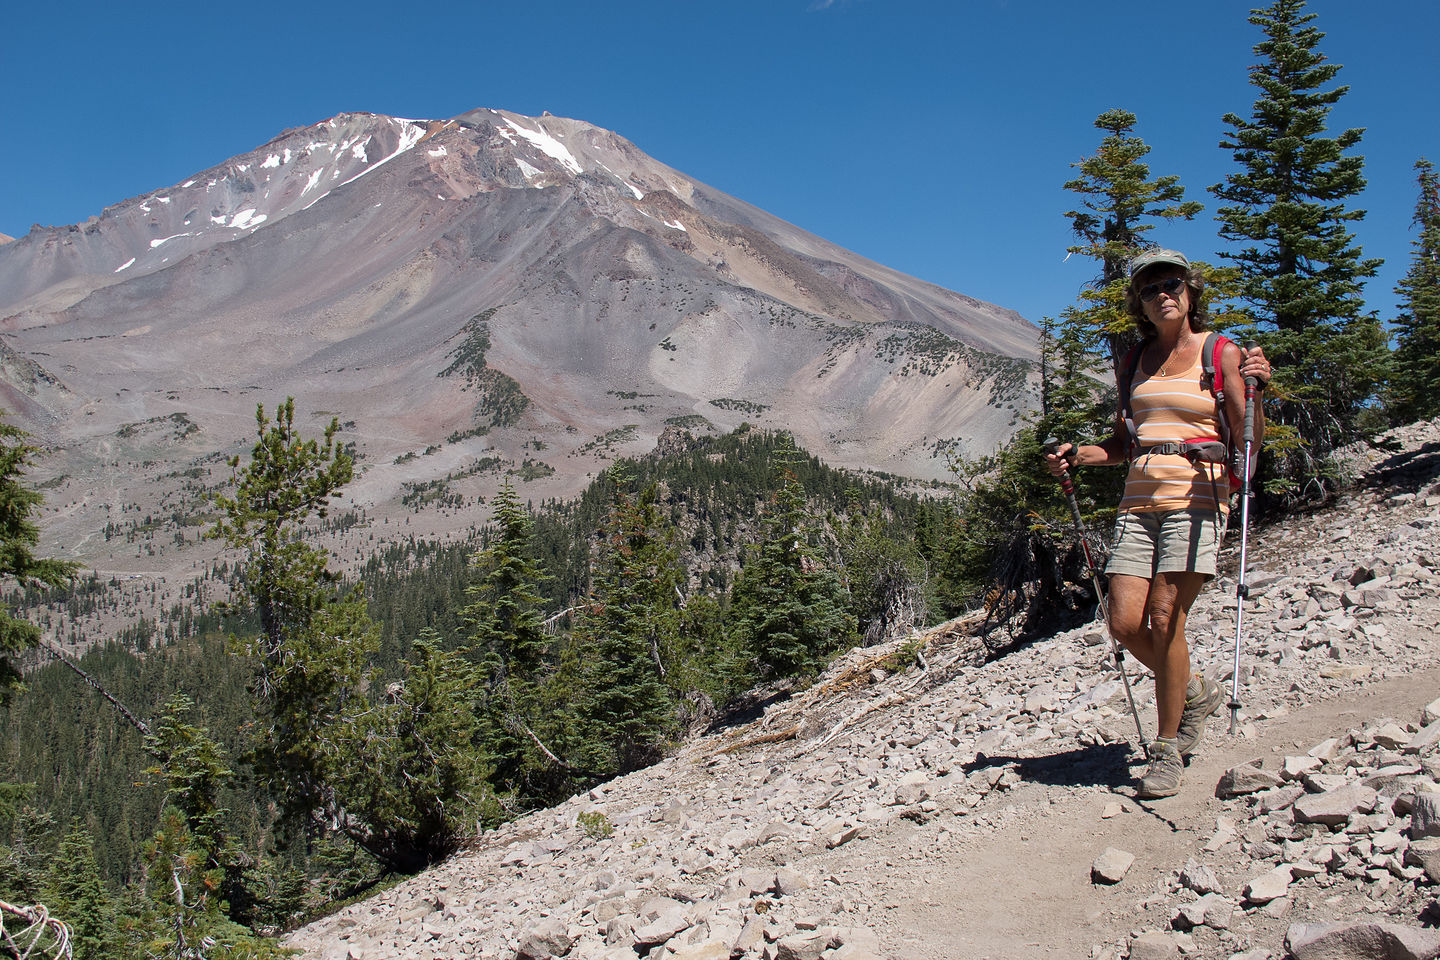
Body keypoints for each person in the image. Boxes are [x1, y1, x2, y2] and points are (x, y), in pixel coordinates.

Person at [1045, 248, 1271, 799]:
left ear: (1190, 291)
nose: (1162, 293)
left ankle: (1167, 749)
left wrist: (1259, 391)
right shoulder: (1136, 362)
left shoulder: (1222, 353)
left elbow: (1248, 439)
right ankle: (1194, 689)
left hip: (1197, 497)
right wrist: (1080, 455)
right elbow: (1123, 445)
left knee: (1166, 619)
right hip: (1138, 503)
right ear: (1140, 304)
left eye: (1171, 283)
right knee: (1124, 623)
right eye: (1150, 289)